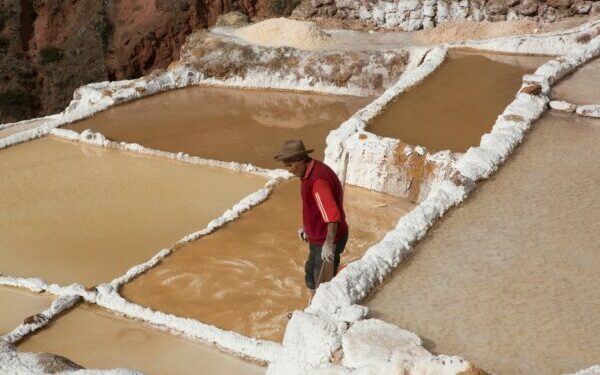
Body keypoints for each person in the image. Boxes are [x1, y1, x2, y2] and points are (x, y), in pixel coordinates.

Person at [274, 140, 349, 302]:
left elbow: (332, 216)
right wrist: (306, 226)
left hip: (327, 239)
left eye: (289, 165)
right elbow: (316, 208)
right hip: (317, 237)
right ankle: (311, 304)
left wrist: (329, 245)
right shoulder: (310, 172)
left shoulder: (317, 181)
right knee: (310, 272)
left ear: (301, 159)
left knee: (322, 282)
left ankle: (318, 310)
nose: (288, 170)